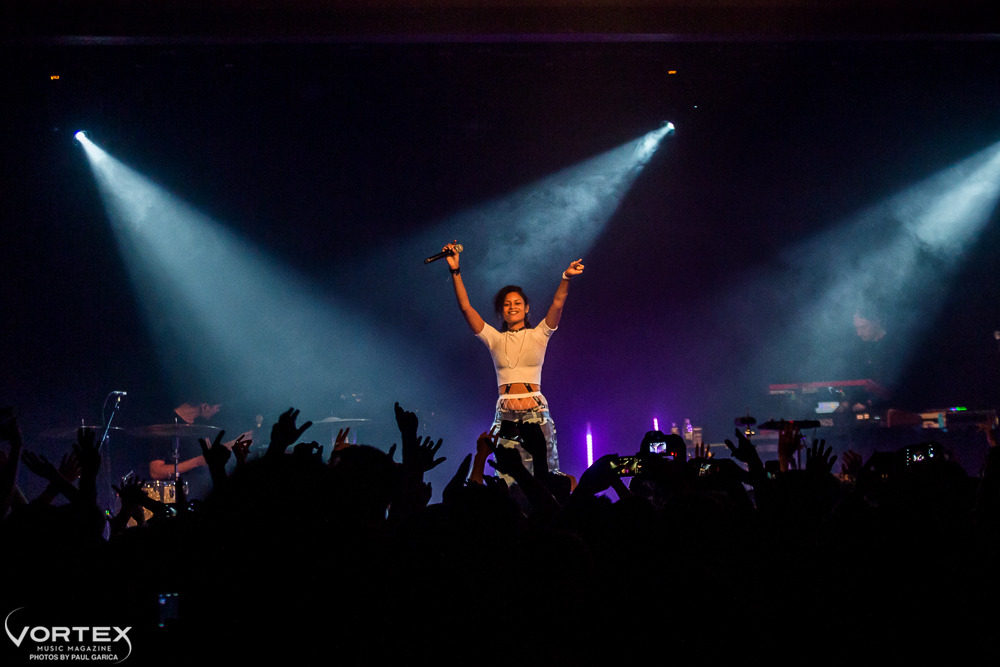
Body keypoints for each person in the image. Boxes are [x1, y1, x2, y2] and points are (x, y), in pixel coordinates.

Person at [442, 240, 584, 474]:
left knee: (543, 473)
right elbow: (466, 308)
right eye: (507, 304)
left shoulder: (539, 334)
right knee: (507, 475)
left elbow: (558, 303)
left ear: (526, 308)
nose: (512, 307)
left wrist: (565, 277)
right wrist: (455, 271)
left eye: (517, 303)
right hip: (505, 413)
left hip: (535, 411)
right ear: (501, 310)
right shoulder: (494, 339)